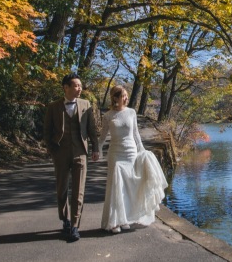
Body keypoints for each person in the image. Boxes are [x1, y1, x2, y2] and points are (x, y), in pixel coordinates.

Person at [99, 85, 168, 233]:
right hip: (115, 153)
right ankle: (114, 222)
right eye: (123, 95)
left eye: (126, 95)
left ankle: (125, 218)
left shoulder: (131, 112)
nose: (126, 98)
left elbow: (136, 133)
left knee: (128, 186)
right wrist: (97, 149)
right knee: (115, 185)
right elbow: (103, 135)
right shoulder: (108, 115)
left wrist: (142, 150)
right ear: (115, 97)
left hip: (130, 152)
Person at [43, 73, 99, 242]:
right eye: (76, 86)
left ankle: (75, 225)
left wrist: (95, 148)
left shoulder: (85, 104)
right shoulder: (53, 107)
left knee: (78, 191)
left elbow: (91, 129)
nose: (79, 88)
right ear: (65, 87)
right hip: (61, 152)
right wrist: (52, 150)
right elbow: (47, 131)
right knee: (62, 189)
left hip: (80, 152)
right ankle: (65, 219)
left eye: (80, 86)